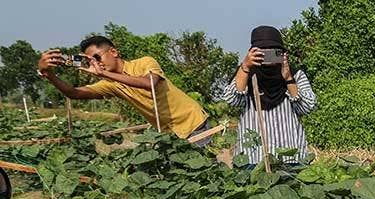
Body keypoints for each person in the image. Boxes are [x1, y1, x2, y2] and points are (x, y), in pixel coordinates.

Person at [36, 36, 209, 139]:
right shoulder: (110, 85)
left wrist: (104, 74)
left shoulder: (144, 62)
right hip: (170, 134)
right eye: (91, 61)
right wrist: (48, 74)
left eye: (98, 57)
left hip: (193, 122)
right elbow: (74, 93)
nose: (97, 64)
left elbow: (149, 83)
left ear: (114, 52)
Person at [213, 26, 317, 166]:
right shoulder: (246, 74)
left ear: (282, 52)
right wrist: (245, 67)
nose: (268, 56)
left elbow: (308, 107)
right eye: (262, 51)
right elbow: (232, 100)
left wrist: (288, 79)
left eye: (274, 51)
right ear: (253, 52)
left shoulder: (295, 74)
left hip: (291, 156)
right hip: (253, 157)